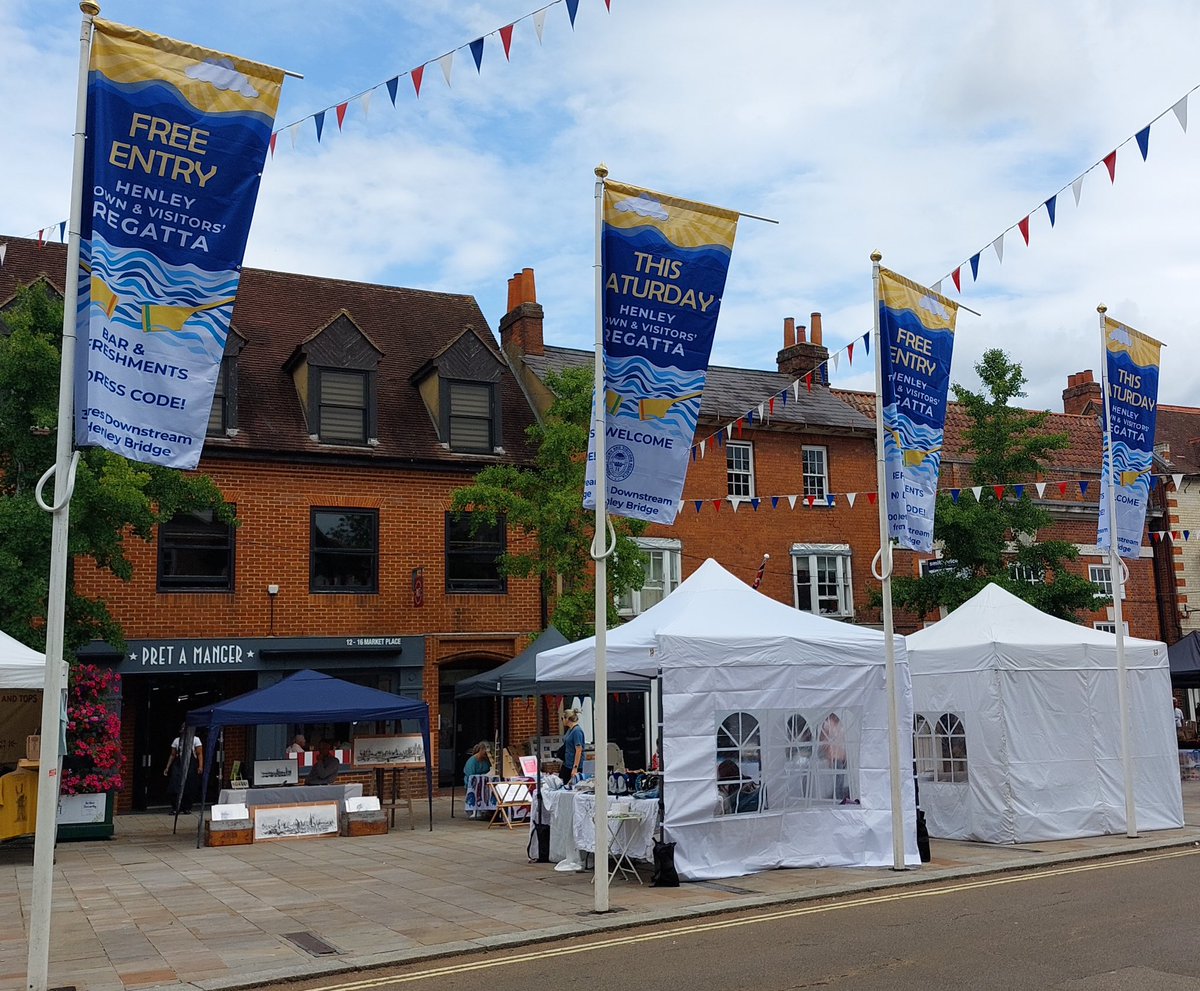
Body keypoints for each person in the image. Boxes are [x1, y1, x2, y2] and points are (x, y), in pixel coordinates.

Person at [163, 725, 203, 814]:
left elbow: (199, 754)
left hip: (191, 764)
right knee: (174, 785)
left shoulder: (196, 740)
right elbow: (173, 754)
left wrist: (200, 766)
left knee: (189, 786)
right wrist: (167, 767)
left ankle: (187, 807)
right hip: (179, 764)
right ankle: (175, 807)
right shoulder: (177, 741)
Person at [463, 742, 493, 820]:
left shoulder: (486, 760)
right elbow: (470, 776)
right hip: (472, 782)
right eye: (484, 753)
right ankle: (475, 810)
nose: (485, 755)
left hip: (485, 781)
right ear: (481, 750)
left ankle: (487, 809)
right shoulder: (472, 761)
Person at [560, 708, 586, 785]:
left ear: (567, 718)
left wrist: (575, 768)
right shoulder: (570, 730)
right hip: (567, 763)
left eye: (563, 718)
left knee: (571, 786)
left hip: (574, 765)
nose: (562, 721)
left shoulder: (577, 731)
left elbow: (578, 750)